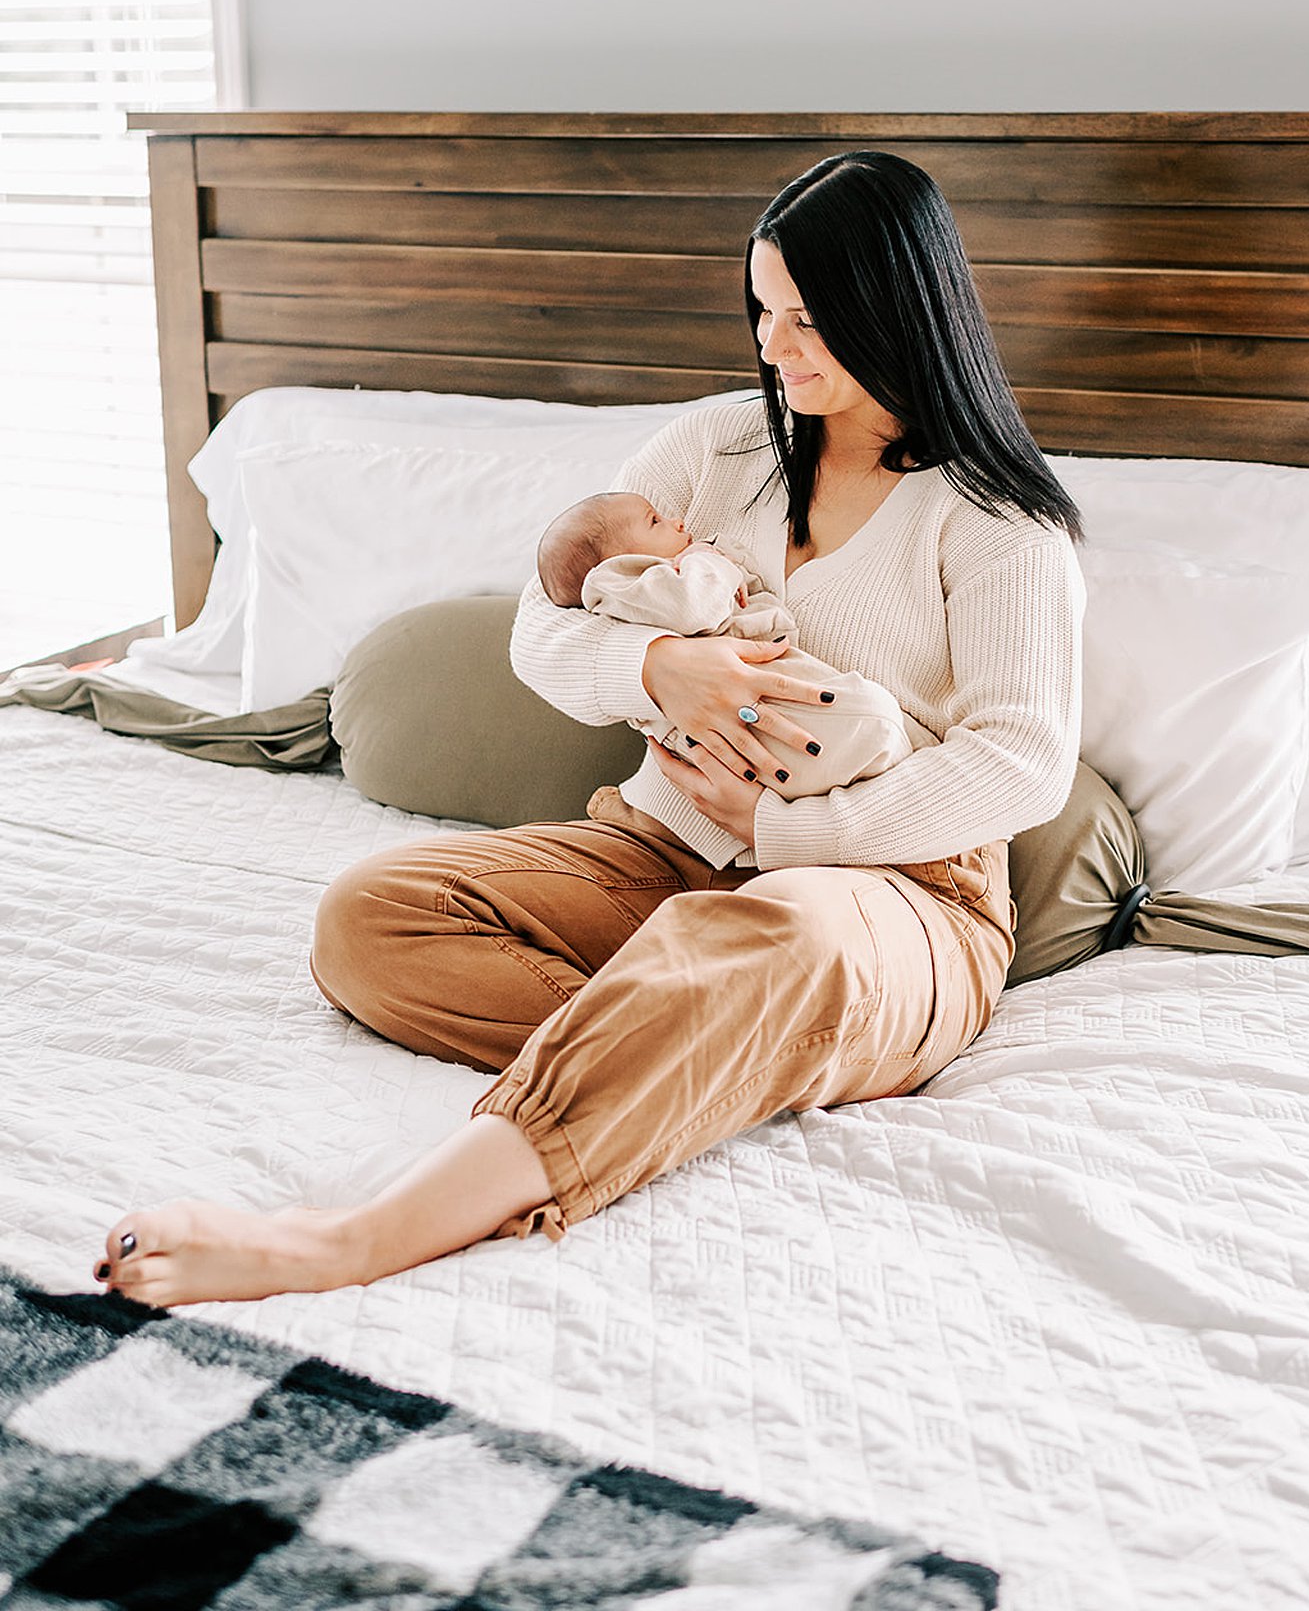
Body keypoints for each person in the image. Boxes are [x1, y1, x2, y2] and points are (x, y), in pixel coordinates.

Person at [94, 149, 1084, 1306]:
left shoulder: (999, 522)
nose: (774, 347)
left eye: (808, 319)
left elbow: (1022, 763)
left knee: (778, 936)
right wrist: (663, 666)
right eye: (762, 311)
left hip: (891, 892)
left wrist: (780, 833)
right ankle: (717, 1041)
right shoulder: (713, 450)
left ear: (894, 309)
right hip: (655, 853)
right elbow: (541, 628)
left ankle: (351, 1238)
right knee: (368, 918)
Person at [535, 487, 932, 797]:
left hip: (765, 710)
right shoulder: (622, 582)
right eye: (655, 521)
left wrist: (777, 828)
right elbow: (694, 606)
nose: (676, 521)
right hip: (732, 734)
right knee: (871, 716)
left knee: (889, 724)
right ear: (613, 562)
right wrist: (653, 663)